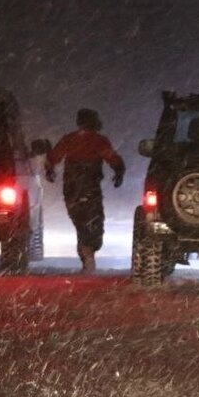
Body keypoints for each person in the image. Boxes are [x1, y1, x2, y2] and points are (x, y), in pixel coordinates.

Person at [46, 108, 125, 273]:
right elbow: (112, 158)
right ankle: (89, 250)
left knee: (79, 221)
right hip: (90, 187)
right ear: (95, 122)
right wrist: (119, 171)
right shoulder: (99, 140)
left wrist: (50, 169)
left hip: (72, 188)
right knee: (94, 220)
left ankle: (86, 253)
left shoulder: (69, 139)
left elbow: (54, 157)